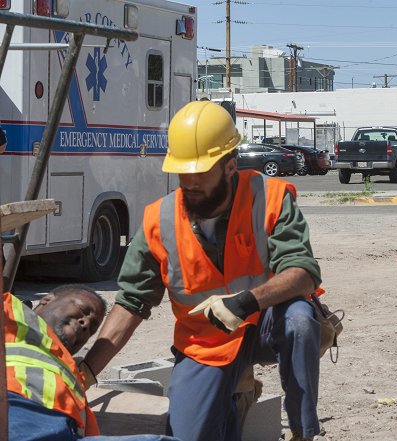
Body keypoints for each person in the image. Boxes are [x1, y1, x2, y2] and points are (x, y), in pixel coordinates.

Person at [82, 101, 324, 441]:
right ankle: (235, 394)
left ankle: (302, 432)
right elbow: (131, 303)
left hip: (267, 324)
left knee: (301, 319)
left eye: (201, 171)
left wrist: (245, 302)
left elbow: (303, 272)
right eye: (183, 172)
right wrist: (88, 371)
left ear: (230, 165)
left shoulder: (269, 198)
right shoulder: (160, 220)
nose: (190, 182)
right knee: (187, 436)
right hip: (205, 341)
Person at [5, 284, 179, 441]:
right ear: (47, 299)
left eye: (93, 326)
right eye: (82, 309)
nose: (86, 322)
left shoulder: (71, 373)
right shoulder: (11, 315)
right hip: (15, 414)